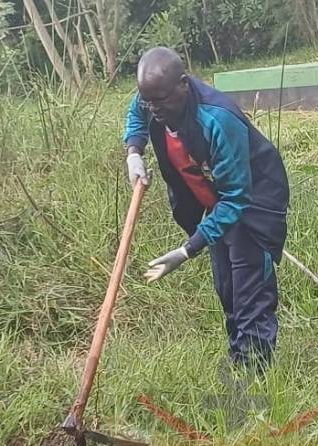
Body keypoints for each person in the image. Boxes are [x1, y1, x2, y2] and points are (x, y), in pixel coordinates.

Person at [124, 47, 289, 370]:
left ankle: (254, 378)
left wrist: (187, 250)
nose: (154, 109)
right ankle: (240, 360)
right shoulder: (152, 98)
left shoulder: (218, 118)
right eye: (149, 101)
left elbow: (237, 199)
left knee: (249, 292)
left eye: (161, 101)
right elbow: (136, 115)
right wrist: (134, 151)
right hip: (217, 200)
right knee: (227, 288)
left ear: (183, 84)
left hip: (253, 202)